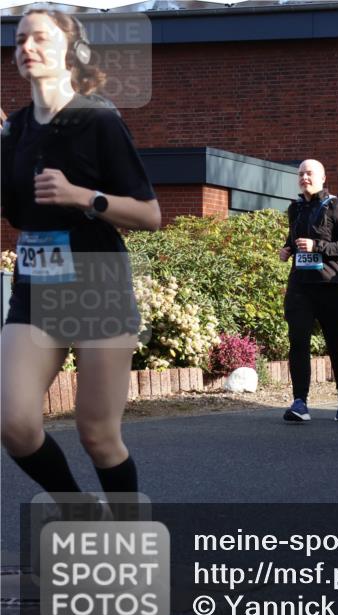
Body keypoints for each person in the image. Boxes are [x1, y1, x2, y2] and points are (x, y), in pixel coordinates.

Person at [1, 9, 160, 512]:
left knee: (97, 432)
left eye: (39, 38)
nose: (26, 46)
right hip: (36, 284)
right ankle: (77, 507)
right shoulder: (17, 129)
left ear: (69, 50)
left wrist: (83, 196)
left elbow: (150, 214)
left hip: (98, 283)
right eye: (20, 38)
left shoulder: (99, 118)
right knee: (14, 423)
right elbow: (16, 212)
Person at [279, 159, 338, 423]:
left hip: (331, 287)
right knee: (298, 342)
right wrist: (287, 249)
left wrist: (318, 247)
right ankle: (300, 401)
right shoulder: (296, 208)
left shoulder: (336, 206)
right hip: (300, 287)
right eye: (301, 173)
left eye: (310, 173)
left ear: (323, 178)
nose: (304, 177)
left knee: (336, 343)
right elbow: (293, 240)